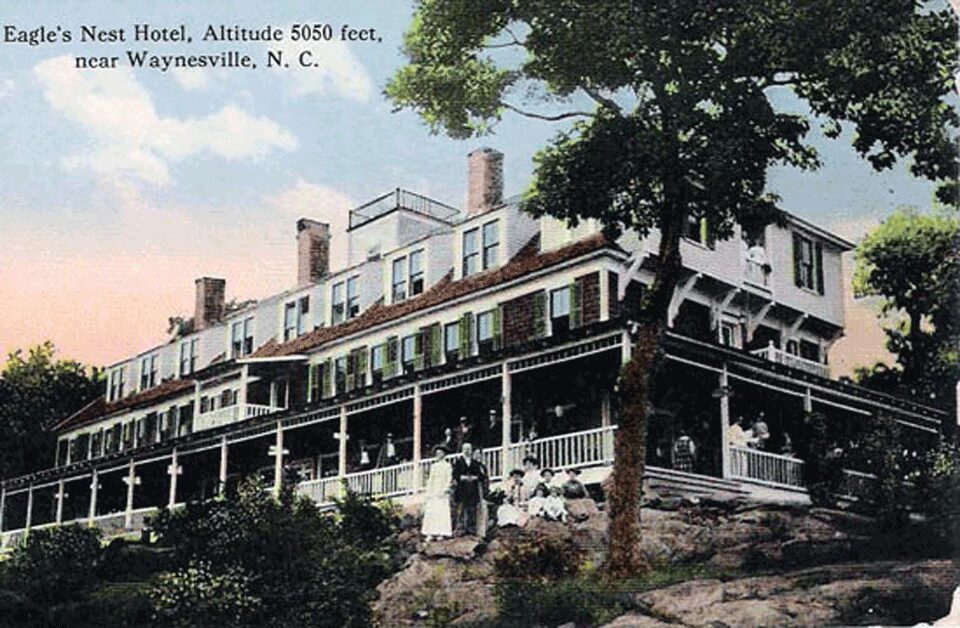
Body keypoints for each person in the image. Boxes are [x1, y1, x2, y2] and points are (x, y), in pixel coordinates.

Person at [451, 442, 487, 536]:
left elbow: (482, 476)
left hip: (472, 489)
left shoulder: (475, 463)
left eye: (469, 449)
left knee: (472, 510)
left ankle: (471, 529)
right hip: (462, 489)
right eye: (465, 449)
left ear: (471, 451)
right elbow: (454, 474)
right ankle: (460, 529)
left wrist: (475, 478)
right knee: (461, 510)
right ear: (462, 450)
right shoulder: (458, 461)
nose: (467, 451)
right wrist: (461, 478)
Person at [420, 446, 453, 540]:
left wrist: (445, 489)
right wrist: (429, 492)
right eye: (437, 453)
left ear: (444, 454)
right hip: (434, 492)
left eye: (440, 453)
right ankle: (430, 533)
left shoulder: (447, 466)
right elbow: (431, 480)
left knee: (441, 513)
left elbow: (449, 478)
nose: (438, 455)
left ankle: (441, 533)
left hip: (442, 493)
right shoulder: (434, 466)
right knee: (432, 512)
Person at [472, 447, 490, 536]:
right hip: (472, 492)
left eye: (479, 454)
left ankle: (482, 533)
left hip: (481, 491)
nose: (477, 456)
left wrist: (486, 491)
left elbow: (486, 480)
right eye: (476, 454)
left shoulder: (482, 467)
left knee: (482, 510)